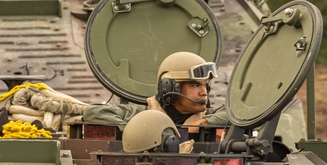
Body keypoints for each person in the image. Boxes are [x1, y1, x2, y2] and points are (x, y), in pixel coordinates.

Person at [82, 51, 227, 145]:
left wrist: (204, 123)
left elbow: (236, 113)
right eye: (195, 85)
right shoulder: (139, 114)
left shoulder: (208, 116)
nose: (204, 92)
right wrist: (142, 130)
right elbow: (93, 112)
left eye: (205, 86)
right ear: (169, 87)